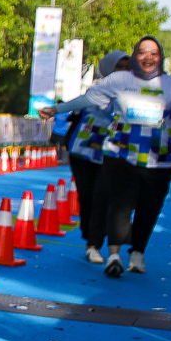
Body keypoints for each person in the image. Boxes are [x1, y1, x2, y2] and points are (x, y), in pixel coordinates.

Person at [44, 37, 171, 278]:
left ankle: (134, 252)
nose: (146, 58)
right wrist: (57, 109)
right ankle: (107, 251)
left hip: (154, 158)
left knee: (140, 205)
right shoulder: (115, 83)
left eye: (153, 53)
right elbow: (89, 101)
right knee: (109, 202)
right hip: (105, 152)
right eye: (141, 53)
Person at [58, 49, 130, 262]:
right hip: (83, 150)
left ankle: (94, 244)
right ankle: (89, 235)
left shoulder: (134, 93)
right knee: (86, 196)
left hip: (111, 152)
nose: (124, 71)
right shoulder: (96, 89)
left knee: (103, 197)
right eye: (119, 67)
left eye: (127, 68)